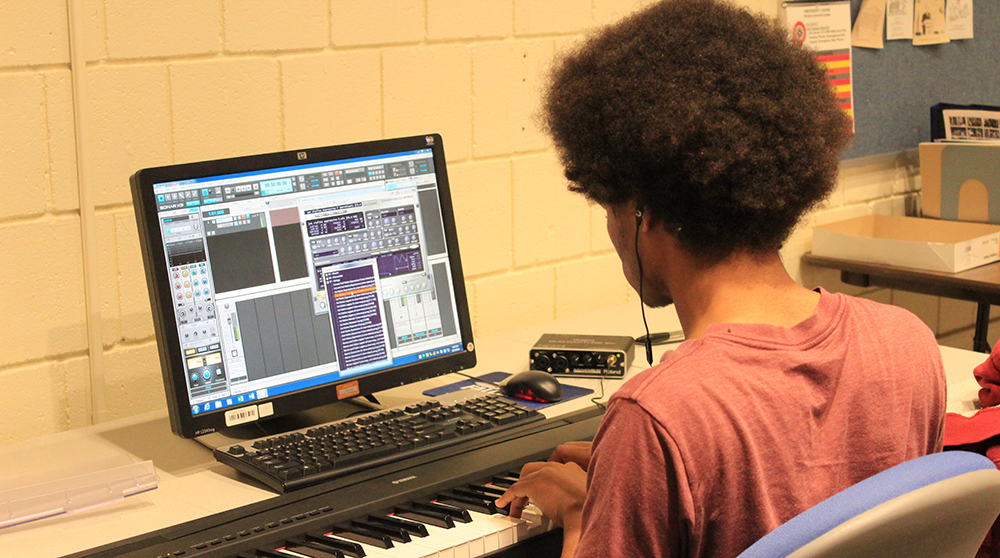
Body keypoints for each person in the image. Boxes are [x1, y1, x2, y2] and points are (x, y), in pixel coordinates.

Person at [494, 1, 947, 557]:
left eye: (609, 205)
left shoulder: (657, 416)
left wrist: (579, 512)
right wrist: (636, 475)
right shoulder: (908, 342)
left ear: (644, 211)